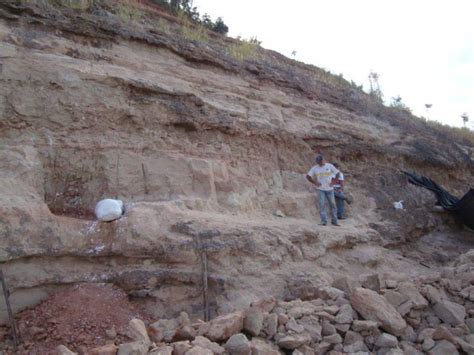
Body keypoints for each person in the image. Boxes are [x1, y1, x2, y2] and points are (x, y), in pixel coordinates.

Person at [306, 155, 340, 226]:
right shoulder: (315, 168)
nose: (320, 163)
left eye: (321, 161)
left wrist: (334, 182)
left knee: (333, 205)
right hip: (321, 189)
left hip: (330, 189)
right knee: (322, 205)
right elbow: (308, 176)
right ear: (317, 162)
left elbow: (337, 173)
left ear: (323, 160)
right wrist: (315, 182)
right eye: (318, 162)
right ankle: (323, 221)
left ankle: (334, 221)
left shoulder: (329, 166)